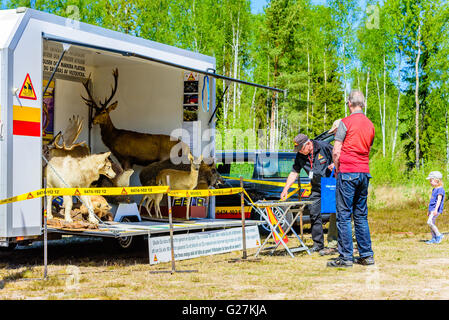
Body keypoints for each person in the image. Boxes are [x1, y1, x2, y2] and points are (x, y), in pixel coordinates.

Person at [327, 90, 375, 268]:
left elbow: (336, 151)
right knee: (361, 215)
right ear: (362, 104)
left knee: (344, 216)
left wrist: (338, 169)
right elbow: (367, 147)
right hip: (364, 173)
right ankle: (367, 255)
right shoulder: (370, 125)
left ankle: (346, 257)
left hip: (347, 172)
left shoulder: (345, 123)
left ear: (349, 103)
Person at [280, 133, 334, 254]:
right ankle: (318, 244)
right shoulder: (300, 155)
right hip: (316, 187)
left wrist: (335, 163)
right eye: (298, 149)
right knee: (314, 212)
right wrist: (285, 189)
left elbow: (340, 155)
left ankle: (338, 243)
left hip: (331, 184)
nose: (300, 152)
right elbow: (294, 172)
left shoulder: (324, 147)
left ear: (308, 144)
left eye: (301, 149)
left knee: (337, 214)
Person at [319, 119, 341, 256]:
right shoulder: (338, 144)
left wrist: (338, 164)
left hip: (349, 180)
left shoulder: (351, 141)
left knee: (350, 214)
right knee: (334, 212)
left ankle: (353, 244)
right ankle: (333, 244)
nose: (335, 135)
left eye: (335, 132)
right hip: (338, 180)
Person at [425, 171, 445, 244]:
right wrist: (429, 210)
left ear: (437, 180)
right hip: (432, 210)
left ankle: (439, 235)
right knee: (431, 223)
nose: (430, 182)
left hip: (436, 210)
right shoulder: (434, 189)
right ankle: (434, 238)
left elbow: (439, 201)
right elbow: (432, 201)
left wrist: (436, 210)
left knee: (429, 222)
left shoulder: (440, 190)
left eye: (431, 180)